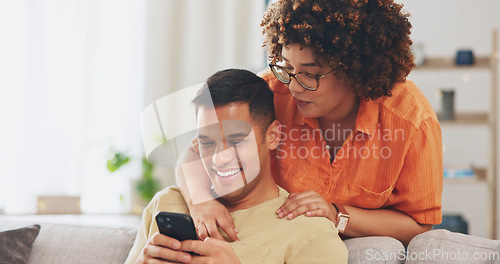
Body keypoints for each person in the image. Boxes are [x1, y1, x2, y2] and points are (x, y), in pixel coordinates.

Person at [177, 0, 443, 246]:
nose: (293, 86)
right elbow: (195, 151)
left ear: (355, 69)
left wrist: (336, 214)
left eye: (310, 74)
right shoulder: (271, 94)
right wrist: (201, 201)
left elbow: (419, 225)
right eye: (287, 67)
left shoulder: (411, 121)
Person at [125, 69, 348, 264]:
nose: (219, 159)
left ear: (272, 136)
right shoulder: (167, 204)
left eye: (236, 141)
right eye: (207, 142)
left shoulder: (310, 232)